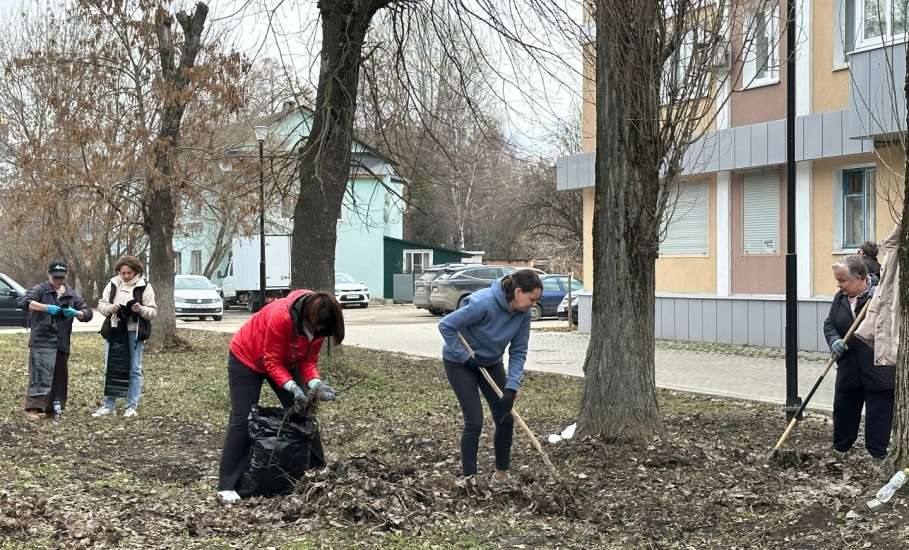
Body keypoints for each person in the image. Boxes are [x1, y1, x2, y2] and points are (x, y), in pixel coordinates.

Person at [217, 289, 343, 503]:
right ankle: (227, 485)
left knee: (304, 413)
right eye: (318, 328)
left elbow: (309, 361)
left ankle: (317, 471)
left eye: (324, 331)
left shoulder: (320, 325)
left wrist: (316, 385)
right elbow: (271, 362)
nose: (320, 332)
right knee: (243, 417)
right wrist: (294, 389)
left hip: (287, 360)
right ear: (309, 317)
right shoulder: (281, 316)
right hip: (247, 358)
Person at [438, 269, 543, 482]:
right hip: (461, 362)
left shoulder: (522, 316)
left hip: (491, 362)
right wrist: (464, 356)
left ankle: (501, 475)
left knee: (505, 417)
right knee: (474, 421)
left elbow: (518, 351)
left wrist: (512, 386)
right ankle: (470, 478)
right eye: (531, 299)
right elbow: (446, 325)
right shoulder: (481, 303)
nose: (533, 304)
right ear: (518, 292)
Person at [824, 255, 895, 463]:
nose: (839, 285)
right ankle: (840, 451)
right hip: (849, 369)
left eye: (843, 280)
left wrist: (879, 302)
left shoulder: (883, 296)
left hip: (878, 370)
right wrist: (835, 339)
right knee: (844, 411)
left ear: (860, 278)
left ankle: (878, 456)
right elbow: (829, 324)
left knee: (878, 417)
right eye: (838, 281)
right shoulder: (840, 298)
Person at [17, 260, 94, 420]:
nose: (58, 281)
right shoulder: (40, 290)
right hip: (42, 339)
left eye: (61, 278)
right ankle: (34, 407)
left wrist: (75, 313)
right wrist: (45, 308)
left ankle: (54, 407)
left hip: (62, 340)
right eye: (55, 278)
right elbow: (24, 301)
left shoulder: (71, 294)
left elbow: (87, 313)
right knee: (39, 373)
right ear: (49, 275)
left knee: (59, 375)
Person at [92, 256, 157, 418]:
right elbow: (101, 305)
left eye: (130, 273)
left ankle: (131, 406)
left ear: (136, 271)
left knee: (134, 369)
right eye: (123, 273)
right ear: (119, 272)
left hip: (134, 333)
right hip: (114, 331)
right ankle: (108, 405)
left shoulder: (145, 286)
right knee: (110, 368)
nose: (126, 276)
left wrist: (140, 309)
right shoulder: (113, 284)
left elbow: (152, 312)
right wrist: (111, 308)